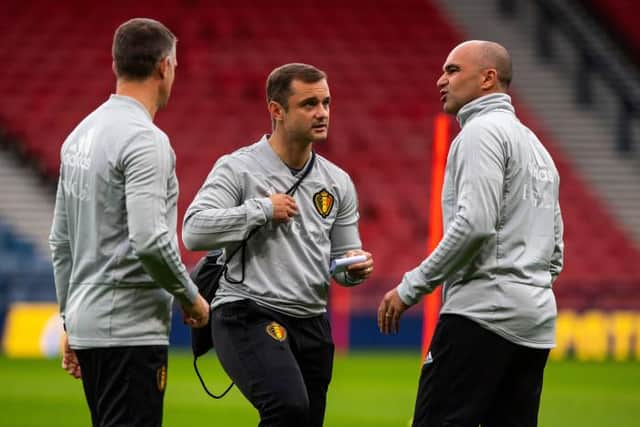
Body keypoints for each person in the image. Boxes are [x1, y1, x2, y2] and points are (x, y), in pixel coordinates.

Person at [378, 40, 564, 426]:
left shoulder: (480, 134)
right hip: (534, 324)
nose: (440, 80)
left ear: (487, 78)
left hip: (481, 316)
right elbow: (556, 249)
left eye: (452, 70)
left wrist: (410, 287)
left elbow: (475, 223)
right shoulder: (537, 148)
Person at [182, 63, 374, 427]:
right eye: (309, 104)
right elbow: (194, 230)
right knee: (287, 409)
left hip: (311, 322)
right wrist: (261, 209)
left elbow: (342, 260)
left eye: (326, 103)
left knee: (304, 421)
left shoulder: (338, 182)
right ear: (276, 110)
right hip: (247, 311)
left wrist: (354, 268)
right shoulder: (237, 169)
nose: (322, 113)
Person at [49, 18, 210, 427]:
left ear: (116, 63)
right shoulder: (144, 140)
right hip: (129, 331)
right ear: (164, 67)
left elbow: (60, 242)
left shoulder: (79, 136)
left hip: (90, 325)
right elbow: (151, 241)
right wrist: (190, 297)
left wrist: (71, 319)